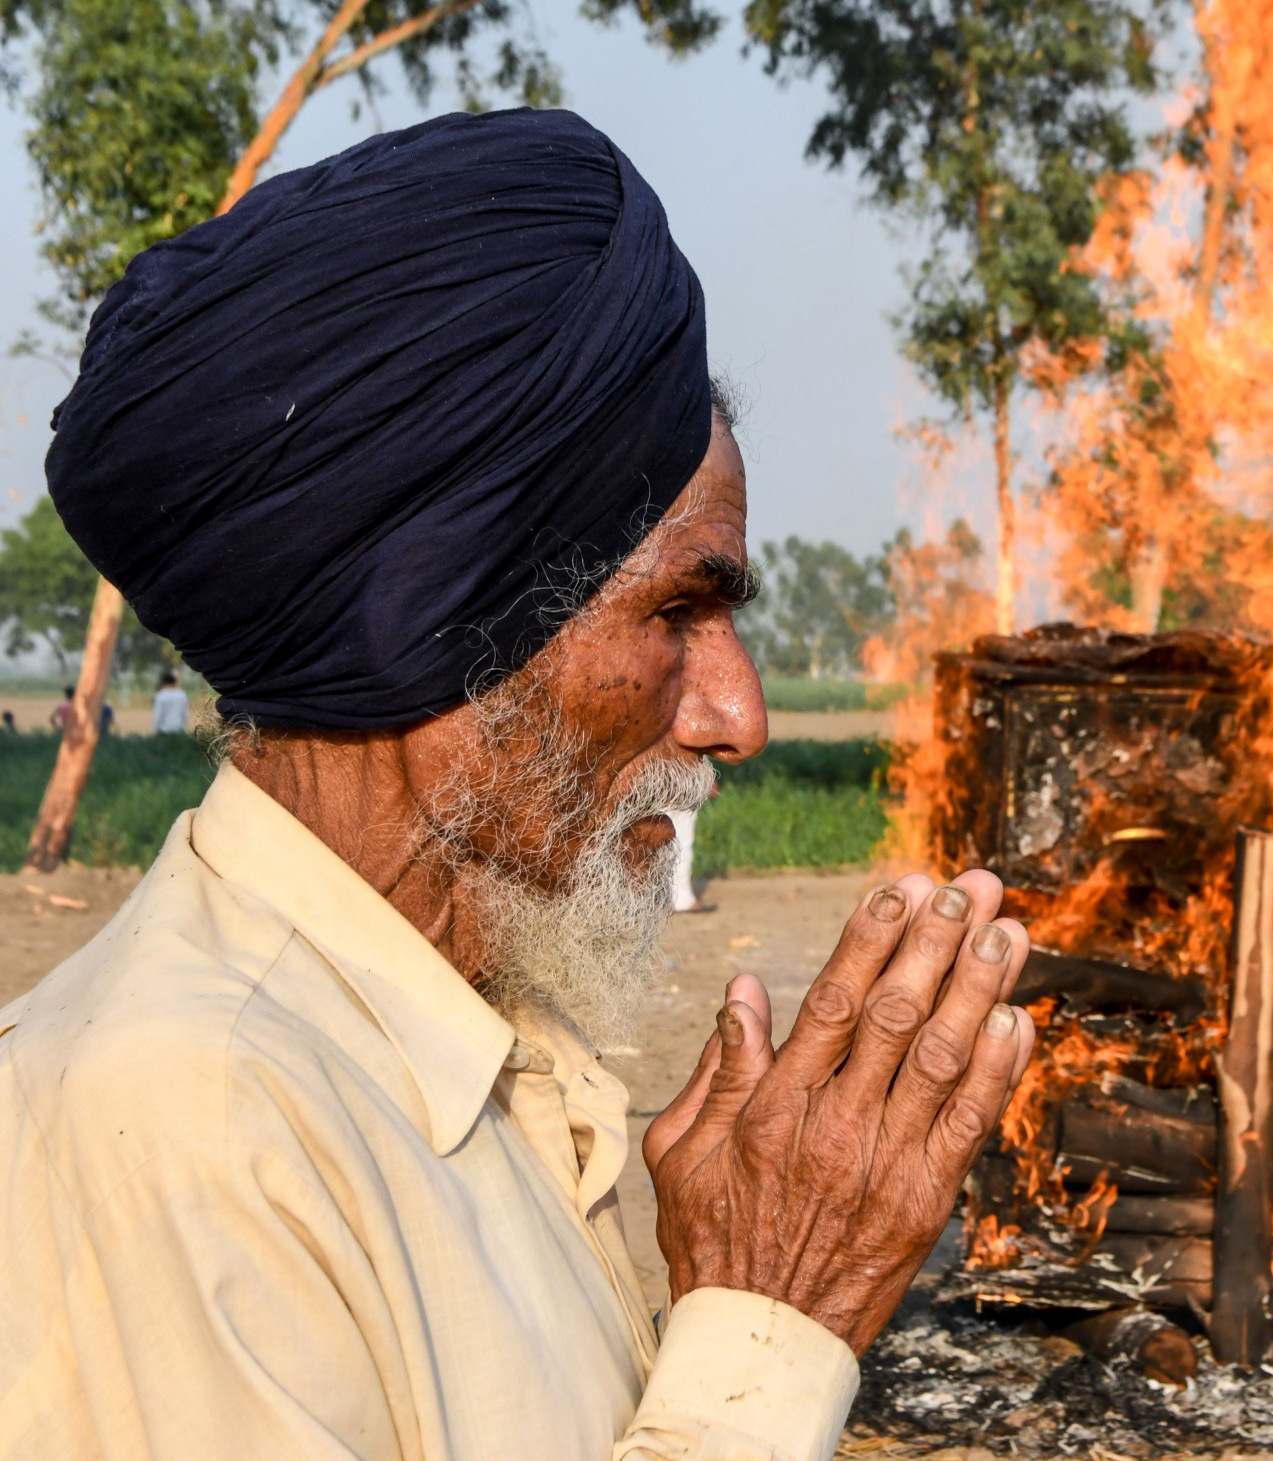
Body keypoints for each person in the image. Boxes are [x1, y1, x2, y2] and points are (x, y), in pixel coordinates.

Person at [0, 109, 1037, 1461]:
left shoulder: (460, 1047)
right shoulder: (181, 1127)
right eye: (677, 612)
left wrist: (712, 1284)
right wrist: (770, 1329)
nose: (741, 717)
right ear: (437, 623)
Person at [152, 669, 190, 734]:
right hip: (179, 729)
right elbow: (185, 713)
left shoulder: (160, 695)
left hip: (164, 730)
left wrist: (155, 730)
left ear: (163, 683)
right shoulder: (181, 694)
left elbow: (158, 715)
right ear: (174, 682)